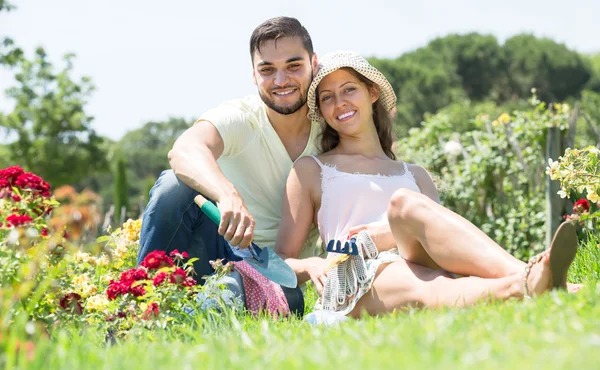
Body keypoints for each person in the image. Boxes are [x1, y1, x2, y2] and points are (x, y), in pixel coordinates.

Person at [275, 51, 579, 318]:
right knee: (428, 286)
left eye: (349, 89)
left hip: (415, 257)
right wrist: (312, 264)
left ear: (371, 93)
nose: (339, 103)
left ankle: (532, 273)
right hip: (355, 271)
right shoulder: (311, 169)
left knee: (404, 204)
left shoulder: (415, 174)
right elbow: (280, 260)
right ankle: (532, 279)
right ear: (322, 110)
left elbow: (438, 239)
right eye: (327, 97)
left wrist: (389, 233)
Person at [136, 16, 322, 315]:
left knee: (266, 295)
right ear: (253, 75)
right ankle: (139, 305)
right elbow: (184, 149)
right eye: (267, 70)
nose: (280, 80)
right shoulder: (241, 116)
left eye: (293, 65)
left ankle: (186, 311)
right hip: (216, 248)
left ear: (314, 63)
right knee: (174, 185)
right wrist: (226, 195)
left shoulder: (330, 129)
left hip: (277, 269)